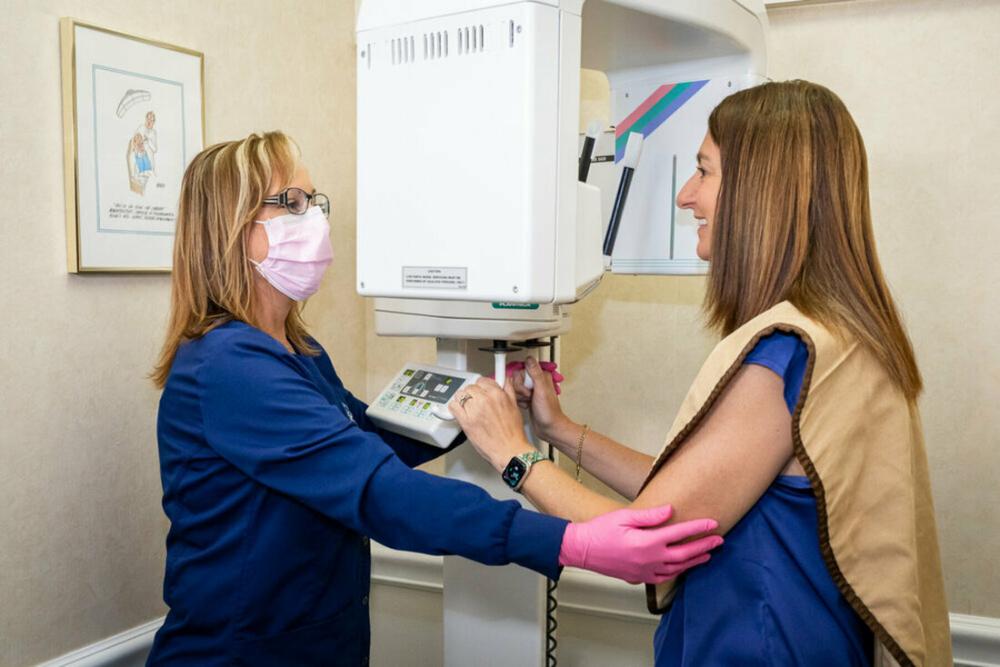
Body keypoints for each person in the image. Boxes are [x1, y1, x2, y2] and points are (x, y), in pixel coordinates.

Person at [145, 131, 723, 666]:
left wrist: (480, 398)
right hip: (237, 652)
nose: (315, 218)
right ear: (235, 229)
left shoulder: (298, 348)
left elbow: (362, 444)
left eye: (315, 201)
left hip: (319, 640)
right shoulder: (227, 366)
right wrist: (572, 540)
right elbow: (375, 488)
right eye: (292, 203)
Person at [450, 81, 950, 666]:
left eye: (704, 171)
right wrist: (559, 429)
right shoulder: (841, 336)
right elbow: (690, 497)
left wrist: (512, 452)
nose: (687, 196)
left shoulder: (787, 352)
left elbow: (644, 534)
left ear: (764, 192)